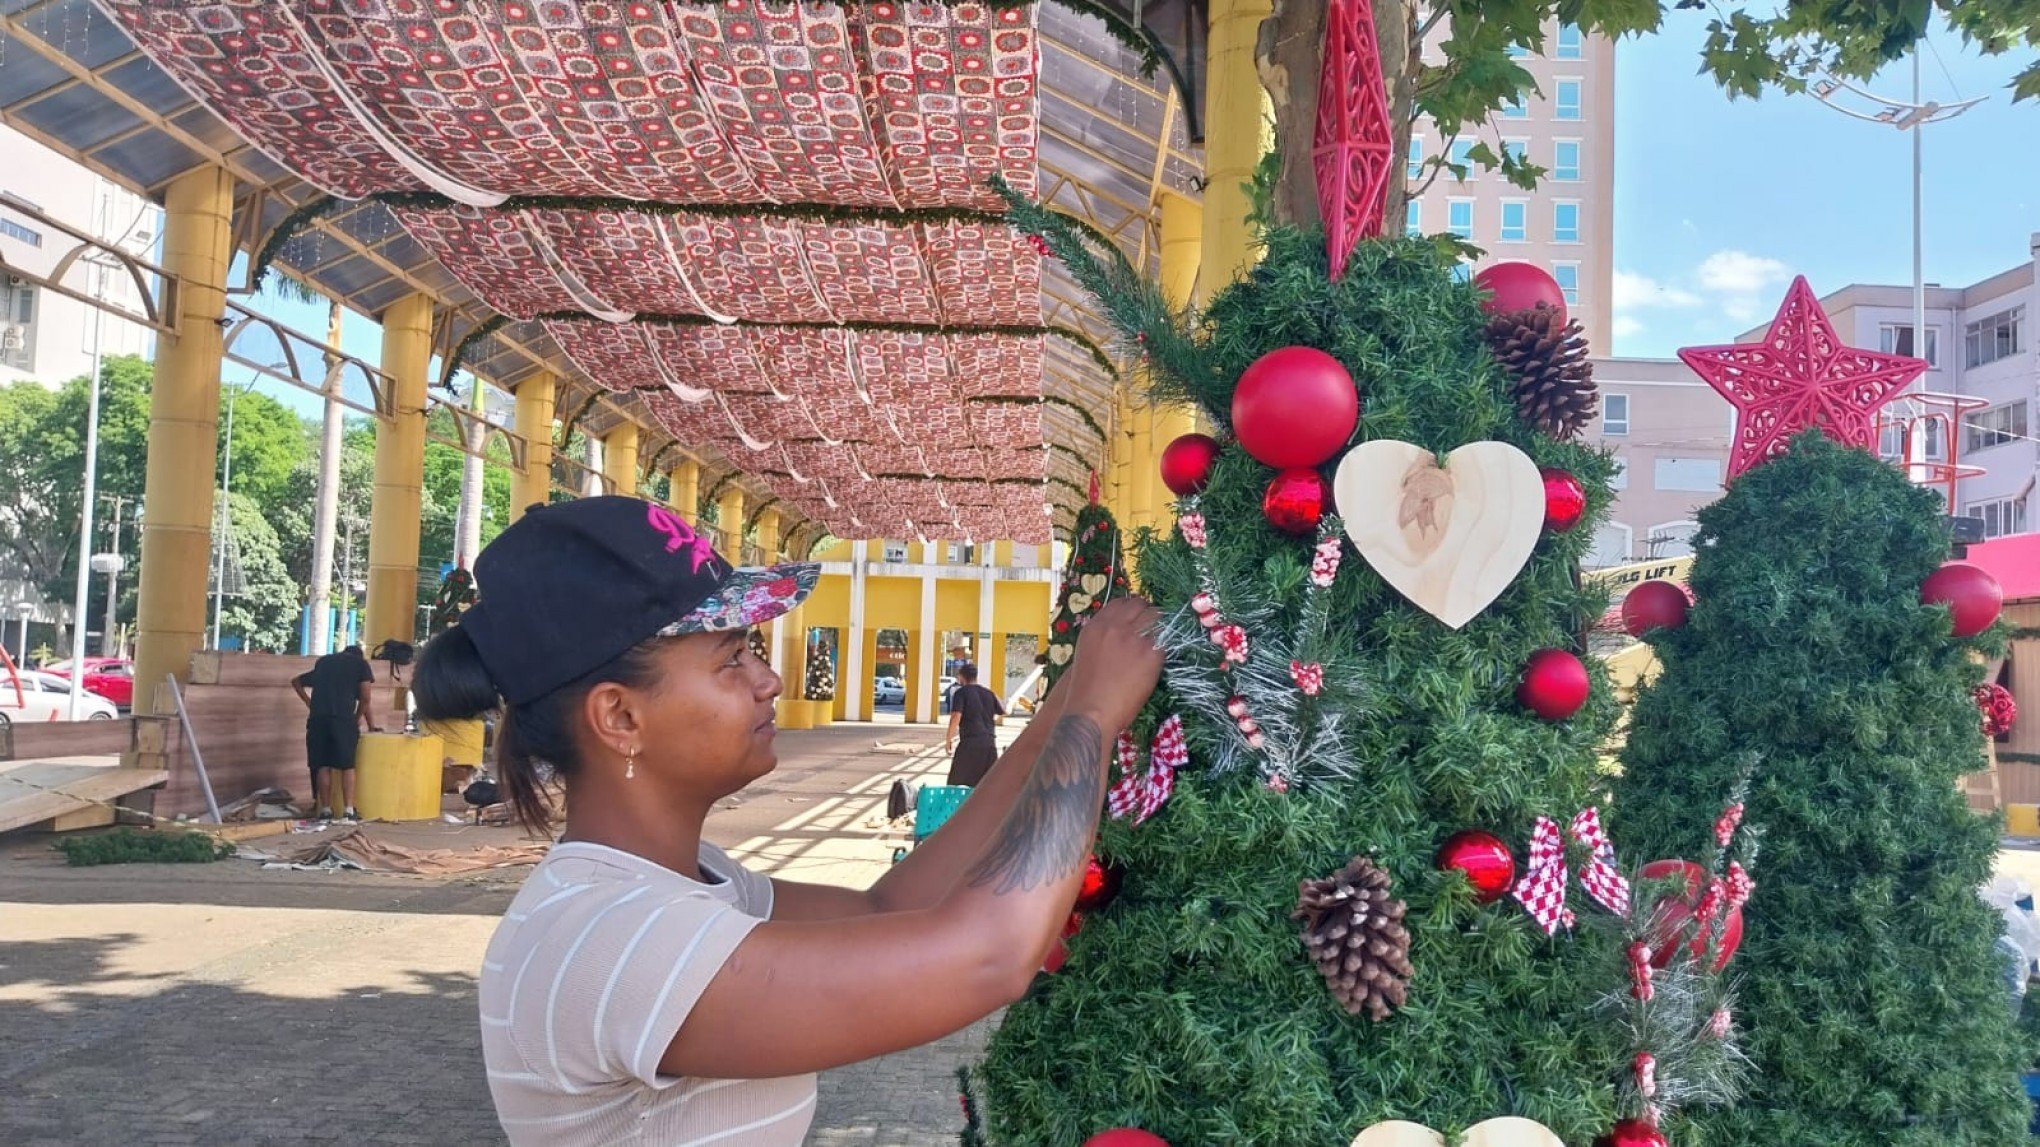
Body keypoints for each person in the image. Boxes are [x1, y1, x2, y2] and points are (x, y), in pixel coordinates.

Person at [411, 497, 1161, 1147]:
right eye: (732, 658)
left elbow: (894, 907)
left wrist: (1065, 700)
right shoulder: (610, 937)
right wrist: (1092, 718)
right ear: (620, 714)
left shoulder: (692, 888)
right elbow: (988, 955)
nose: (768, 679)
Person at [291, 644, 379, 821]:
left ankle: (325, 809)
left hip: (317, 720)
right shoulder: (360, 665)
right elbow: (365, 698)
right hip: (342, 720)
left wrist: (310, 703)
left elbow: (296, 681)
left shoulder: (324, 662)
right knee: (347, 766)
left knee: (323, 765)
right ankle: (348, 811)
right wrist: (358, 719)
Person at [943, 663, 1005, 787]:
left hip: (970, 744)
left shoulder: (961, 693)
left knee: (957, 782)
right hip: (989, 744)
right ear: (976, 676)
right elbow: (1004, 710)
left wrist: (948, 739)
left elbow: (956, 717)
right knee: (987, 785)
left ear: (961, 677)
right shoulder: (988, 693)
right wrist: (991, 693)